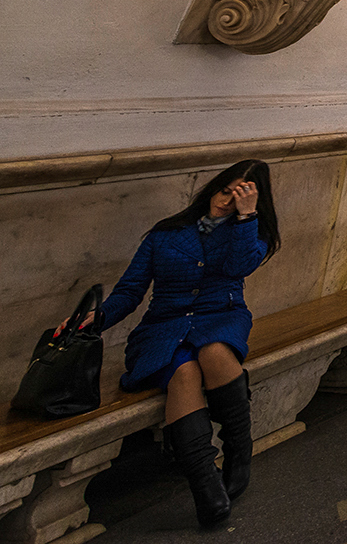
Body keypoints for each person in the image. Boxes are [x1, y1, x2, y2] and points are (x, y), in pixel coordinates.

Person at [83, 160, 281, 526]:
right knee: (185, 373)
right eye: (224, 191)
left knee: (215, 350)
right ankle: (205, 485)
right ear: (212, 187)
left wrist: (245, 216)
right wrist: (97, 319)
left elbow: (239, 267)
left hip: (221, 317)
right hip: (163, 327)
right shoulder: (166, 233)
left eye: (238, 196)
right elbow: (130, 291)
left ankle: (239, 449)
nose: (225, 201)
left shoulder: (252, 234)